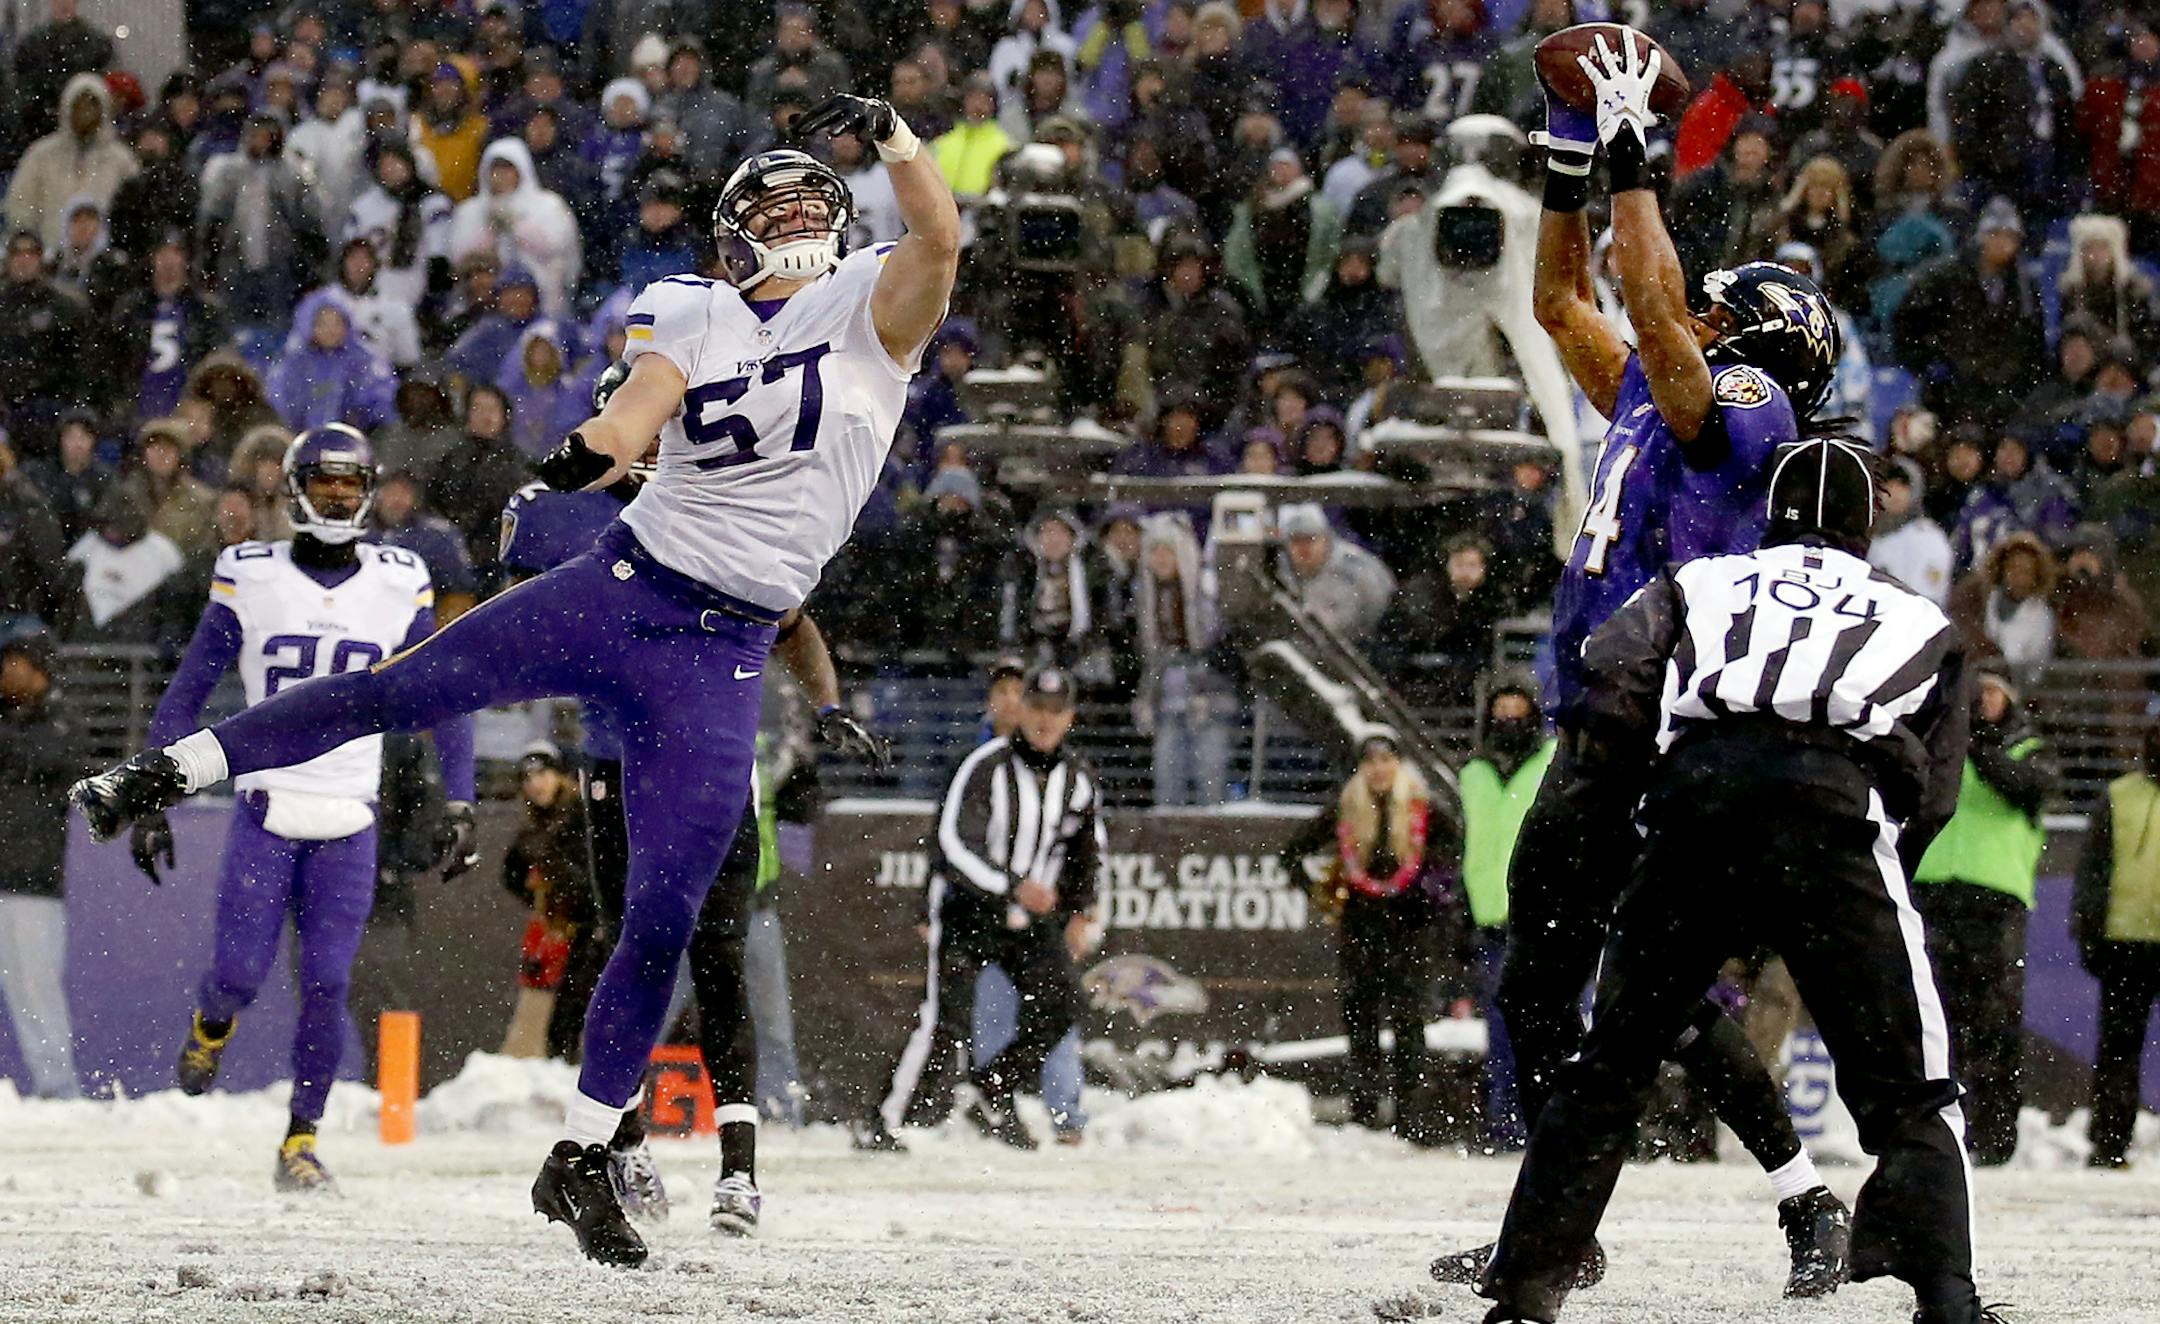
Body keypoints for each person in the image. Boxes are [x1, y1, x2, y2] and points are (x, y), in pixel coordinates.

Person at [73, 93, 960, 1269]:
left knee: (664, 915)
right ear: (734, 235)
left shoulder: (876, 306)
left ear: (839, 218)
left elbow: (942, 238)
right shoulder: (692, 306)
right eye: (775, 203)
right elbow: (639, 413)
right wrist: (587, 452)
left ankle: (582, 1155)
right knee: (400, 685)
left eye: (811, 199)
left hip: (725, 649)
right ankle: (163, 766)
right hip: (627, 582)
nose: (796, 218)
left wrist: (897, 137)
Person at [1430, 33, 1850, 1297]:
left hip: (1663, 725)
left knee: (1611, 987)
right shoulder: (1661, 390)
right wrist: (1569, 149)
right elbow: (1565, 302)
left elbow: (1662, 311)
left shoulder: (1754, 407)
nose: (1702, 305)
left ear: (1764, 334)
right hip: (1599, 712)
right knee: (1570, 989)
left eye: (1727, 304)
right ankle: (1785, 1200)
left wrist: (1630, 143)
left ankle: (1569, 1238)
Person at [1474, 437, 1988, 1324]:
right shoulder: (1918, 617)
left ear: (1775, 514)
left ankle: (1527, 1286)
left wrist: (1636, 814)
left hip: (1699, 799)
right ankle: (1946, 1293)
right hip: (1835, 806)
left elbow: (1611, 677)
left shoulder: (1701, 581)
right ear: (1865, 525)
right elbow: (1935, 783)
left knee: (1612, 1063)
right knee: (1911, 1085)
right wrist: (1856, 873)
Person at [497, 407, 893, 1233]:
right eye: (634, 434)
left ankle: (738, 1172)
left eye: (656, 434)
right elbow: (516, 594)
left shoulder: (728, 513)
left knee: (720, 956)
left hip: (712, 765)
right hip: (616, 764)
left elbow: (792, 619)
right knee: (622, 949)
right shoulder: (579, 524)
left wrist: (825, 706)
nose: (645, 451)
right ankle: (627, 1139)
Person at [125, 425, 478, 1193]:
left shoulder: (398, 576)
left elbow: (444, 692)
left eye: (351, 483)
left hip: (349, 812)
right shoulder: (248, 572)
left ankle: (301, 1140)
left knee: (327, 982)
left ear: (368, 490)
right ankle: (211, 1026)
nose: (339, 495)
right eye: (324, 482)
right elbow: (188, 689)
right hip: (266, 802)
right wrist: (154, 789)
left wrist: (461, 794)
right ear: (294, 489)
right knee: (236, 976)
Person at [859, 667, 1105, 1153]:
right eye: (1037, 709)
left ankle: (991, 1086)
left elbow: (1085, 852)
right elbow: (951, 843)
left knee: (1061, 1005)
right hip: (970, 909)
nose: (1045, 721)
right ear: (1022, 712)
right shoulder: (984, 766)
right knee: (943, 1020)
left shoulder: (1077, 779)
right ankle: (880, 1119)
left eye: (1056, 712)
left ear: (1070, 718)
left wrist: (1079, 908)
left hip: (1029, 918)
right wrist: (1011, 887)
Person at [1911, 665, 2051, 1167]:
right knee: (1935, 1018)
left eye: (1993, 694)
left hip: (1994, 898)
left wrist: (1972, 743)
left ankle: (1993, 1133)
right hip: (1937, 892)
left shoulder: (2026, 750)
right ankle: (1939, 1128)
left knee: (1993, 1018)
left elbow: (2024, 786)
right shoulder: (1940, 747)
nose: (1984, 702)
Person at [1457, 683, 1551, 1148]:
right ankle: (1506, 1123)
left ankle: (1547, 1126)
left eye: (1518, 714)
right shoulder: (1474, 773)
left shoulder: (1552, 763)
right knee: (1500, 1029)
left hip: (1545, 916)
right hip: (1491, 920)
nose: (1509, 723)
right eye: (1501, 714)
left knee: (1551, 1027)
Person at [1331, 733, 1436, 1135]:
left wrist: (1429, 898)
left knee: (1409, 1026)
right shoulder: (1346, 811)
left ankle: (1413, 1119)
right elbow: (1293, 853)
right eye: (1370, 761)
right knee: (1362, 1026)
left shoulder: (1422, 809)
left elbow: (1446, 859)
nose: (1378, 769)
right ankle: (1364, 1113)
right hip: (1360, 935)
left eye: (1386, 759)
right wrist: (1325, 892)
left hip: (1409, 935)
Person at [2075, 718, 2160, 1170]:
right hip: (2125, 942)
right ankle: (2109, 1143)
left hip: (2127, 939)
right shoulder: (2119, 795)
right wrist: (2089, 930)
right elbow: (2093, 869)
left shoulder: (2121, 793)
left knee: (2118, 1050)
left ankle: (2109, 1142)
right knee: (2117, 1051)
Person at [0, 631, 82, 1099]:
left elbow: (52, 755)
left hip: (30, 881)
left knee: (35, 992)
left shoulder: (63, 719)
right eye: (7, 662)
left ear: (43, 671)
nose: (11, 672)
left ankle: (59, 1087)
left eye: (21, 663)